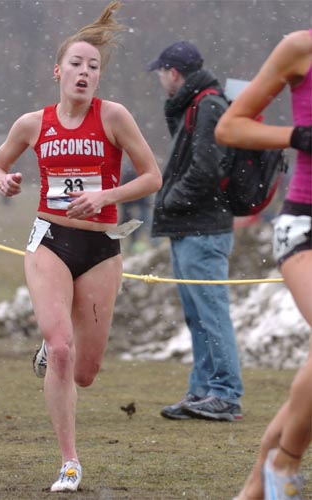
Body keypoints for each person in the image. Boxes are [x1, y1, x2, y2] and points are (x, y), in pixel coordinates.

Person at [0, 2, 161, 492]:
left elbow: (152, 177)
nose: (84, 73)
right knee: (62, 349)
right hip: (50, 239)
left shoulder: (114, 117)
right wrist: (4, 181)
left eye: (94, 67)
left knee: (84, 372)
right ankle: (69, 462)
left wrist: (107, 194)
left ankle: (53, 343)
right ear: (58, 71)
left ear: (99, 77)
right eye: (77, 65)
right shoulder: (33, 123)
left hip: (102, 246)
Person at [215, 29, 311, 500]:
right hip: (305, 227)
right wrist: (297, 136)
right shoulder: (300, 48)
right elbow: (230, 127)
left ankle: (256, 487)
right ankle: (286, 462)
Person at [147, 40, 244, 422]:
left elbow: (207, 169)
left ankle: (225, 393)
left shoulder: (207, 105)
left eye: (160, 73)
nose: (159, 80)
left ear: (173, 73)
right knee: (197, 314)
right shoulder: (194, 105)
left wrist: (169, 200)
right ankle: (202, 391)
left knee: (211, 313)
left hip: (204, 230)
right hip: (190, 228)